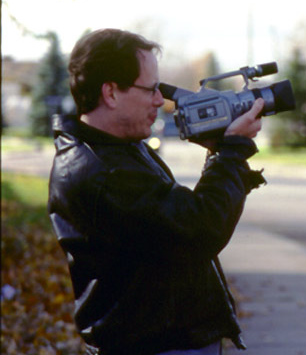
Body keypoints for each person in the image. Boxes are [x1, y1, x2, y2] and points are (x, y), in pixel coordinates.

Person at [47, 28, 266, 355]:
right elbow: (200, 230)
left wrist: (222, 152)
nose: (158, 101)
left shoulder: (115, 150)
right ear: (111, 93)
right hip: (156, 346)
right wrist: (231, 150)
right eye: (151, 89)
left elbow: (179, 224)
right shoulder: (101, 170)